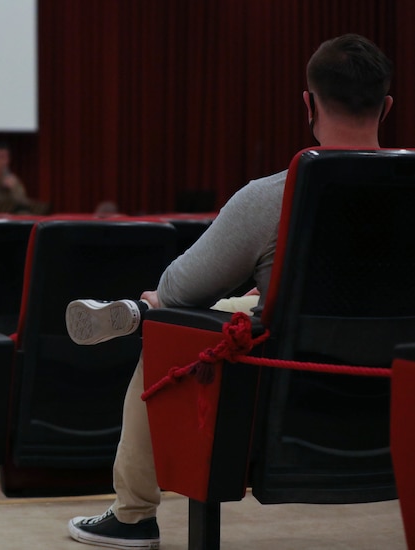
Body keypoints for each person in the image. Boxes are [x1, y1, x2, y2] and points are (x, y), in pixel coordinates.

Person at [64, 34, 394, 549]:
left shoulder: (274, 196)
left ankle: (132, 516)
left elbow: (181, 286)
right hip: (393, 382)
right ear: (387, 106)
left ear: (308, 103)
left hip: (292, 379)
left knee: (169, 319)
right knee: (244, 304)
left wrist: (160, 300)